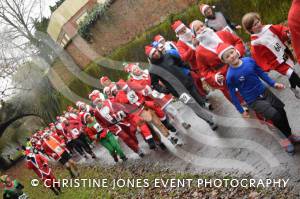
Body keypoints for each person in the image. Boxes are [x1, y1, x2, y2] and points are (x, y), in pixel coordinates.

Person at [217, 42, 300, 154]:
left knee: (281, 111)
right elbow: (232, 94)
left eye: (231, 52)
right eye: (227, 56)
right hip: (253, 100)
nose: (231, 56)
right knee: (274, 115)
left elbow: (260, 73)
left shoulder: (248, 61)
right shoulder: (230, 76)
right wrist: (241, 110)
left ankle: (289, 135)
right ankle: (284, 140)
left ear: (235, 51)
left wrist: (273, 83)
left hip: (264, 91)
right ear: (224, 61)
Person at [145, 45, 218, 130]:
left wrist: (192, 69)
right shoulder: (153, 69)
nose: (156, 54)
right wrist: (165, 90)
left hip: (187, 82)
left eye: (155, 51)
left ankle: (204, 107)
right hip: (178, 91)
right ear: (150, 57)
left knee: (198, 99)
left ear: (158, 50)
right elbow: (154, 84)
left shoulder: (168, 56)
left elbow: (181, 63)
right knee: (193, 105)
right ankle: (209, 121)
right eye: (153, 54)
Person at [242, 12, 300, 99]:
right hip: (277, 63)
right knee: (292, 74)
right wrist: (266, 66)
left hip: (285, 53)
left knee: (293, 73)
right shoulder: (255, 43)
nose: (258, 25)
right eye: (254, 25)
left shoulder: (269, 28)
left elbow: (280, 30)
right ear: (250, 29)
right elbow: (257, 57)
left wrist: (287, 34)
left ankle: (293, 87)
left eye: (258, 22)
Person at [193, 20, 246, 103]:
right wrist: (214, 77)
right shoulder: (199, 52)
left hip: (239, 65)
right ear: (196, 35)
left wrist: (237, 52)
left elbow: (237, 41)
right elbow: (204, 71)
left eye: (202, 25)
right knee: (240, 99)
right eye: (197, 29)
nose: (201, 29)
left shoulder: (222, 34)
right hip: (225, 77)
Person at [171, 20, 210, 100]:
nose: (184, 31)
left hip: (208, 59)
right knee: (205, 80)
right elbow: (184, 57)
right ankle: (204, 96)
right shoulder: (180, 44)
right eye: (181, 31)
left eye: (184, 29)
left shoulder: (194, 33)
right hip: (197, 66)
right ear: (178, 34)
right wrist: (192, 47)